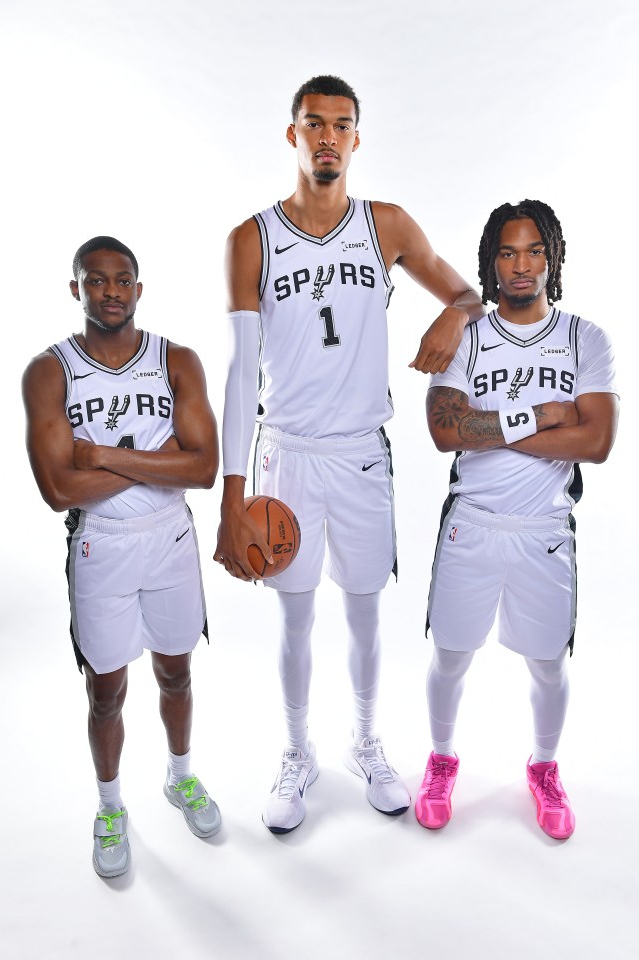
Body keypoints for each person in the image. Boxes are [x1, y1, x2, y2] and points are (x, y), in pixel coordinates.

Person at [214, 75, 485, 833]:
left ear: (357, 138)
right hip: (288, 455)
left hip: (363, 452)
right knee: (295, 619)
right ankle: (297, 752)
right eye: (313, 124)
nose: (327, 137)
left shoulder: (386, 225)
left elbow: (468, 296)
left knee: (365, 613)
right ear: (292, 135)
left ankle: (366, 743)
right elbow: (240, 372)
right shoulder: (251, 238)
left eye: (341, 125)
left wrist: (451, 322)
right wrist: (231, 496)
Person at [416, 200, 619, 839]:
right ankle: (442, 760)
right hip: (471, 524)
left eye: (534, 251)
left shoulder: (586, 337)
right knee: (450, 655)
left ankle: (544, 767)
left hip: (544, 533)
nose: (521, 264)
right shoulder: (466, 335)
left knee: (548, 664)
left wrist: (496, 432)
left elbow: (597, 442)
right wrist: (542, 417)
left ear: (552, 257)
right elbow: (445, 430)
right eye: (508, 252)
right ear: (491, 261)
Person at [22, 237, 221, 878]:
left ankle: (180, 776)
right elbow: (58, 490)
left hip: (169, 540)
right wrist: (164, 461)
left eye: (123, 279)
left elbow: (206, 468)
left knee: (176, 673)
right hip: (99, 545)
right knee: (105, 690)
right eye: (96, 280)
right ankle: (110, 807)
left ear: (140, 288)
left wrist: (104, 455)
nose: (111, 291)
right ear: (75, 288)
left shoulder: (177, 360)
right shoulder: (49, 371)